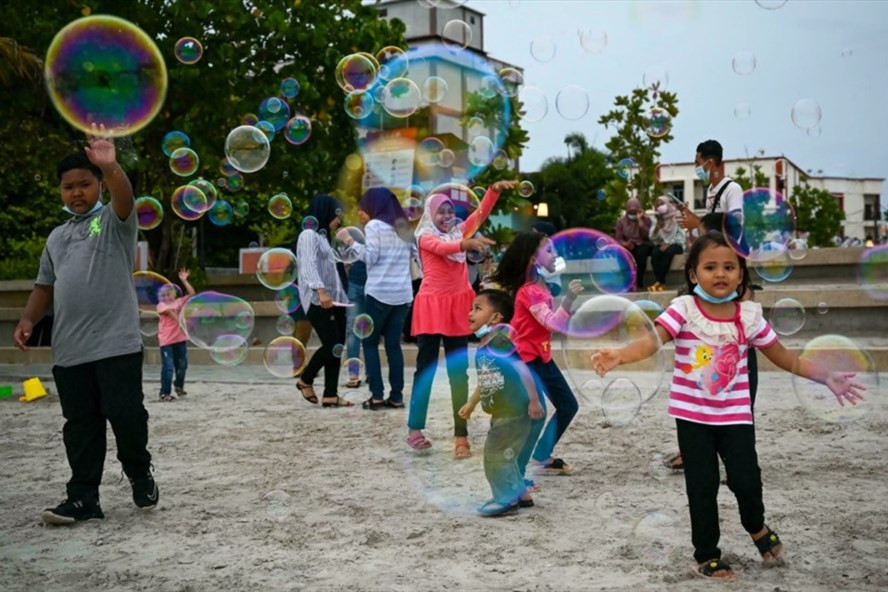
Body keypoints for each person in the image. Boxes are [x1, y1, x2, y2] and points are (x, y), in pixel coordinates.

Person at [591, 231, 864, 580]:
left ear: (740, 274)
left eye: (729, 267)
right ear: (693, 274)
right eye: (710, 267)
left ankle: (757, 527)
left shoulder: (748, 316)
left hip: (735, 417)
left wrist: (826, 376)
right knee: (701, 486)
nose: (720, 274)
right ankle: (707, 555)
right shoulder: (684, 309)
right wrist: (620, 355)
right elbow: (651, 341)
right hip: (692, 418)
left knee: (747, 480)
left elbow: (783, 356)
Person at [13, 132, 158, 524]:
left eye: (85, 184)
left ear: (97, 186)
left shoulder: (113, 222)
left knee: (126, 415)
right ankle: (83, 498)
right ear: (59, 191)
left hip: (117, 344)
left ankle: (139, 471)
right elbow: (45, 286)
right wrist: (28, 319)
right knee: (80, 427)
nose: (76, 192)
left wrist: (110, 165)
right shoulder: (56, 237)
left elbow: (124, 198)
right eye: (68, 186)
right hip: (71, 350)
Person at [406, 180, 516, 456]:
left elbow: (479, 215)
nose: (445, 216)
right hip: (432, 305)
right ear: (431, 214)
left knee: (459, 375)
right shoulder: (425, 236)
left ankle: (461, 437)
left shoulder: (458, 230)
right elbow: (446, 249)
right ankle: (415, 429)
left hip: (458, 306)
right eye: (440, 212)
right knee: (426, 370)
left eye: (449, 211)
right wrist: (467, 243)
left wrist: (494, 191)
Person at [490, 232, 583, 477]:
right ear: (533, 258)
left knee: (568, 405)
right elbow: (552, 323)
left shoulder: (542, 287)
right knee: (535, 416)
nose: (555, 255)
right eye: (549, 250)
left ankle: (541, 455)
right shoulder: (528, 291)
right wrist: (569, 301)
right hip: (525, 361)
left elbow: (551, 325)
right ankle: (517, 474)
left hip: (541, 358)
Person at [457, 290, 545, 516]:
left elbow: (521, 368)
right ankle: (521, 496)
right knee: (508, 455)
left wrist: (534, 400)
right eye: (471, 308)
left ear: (496, 319)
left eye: (478, 308)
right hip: (503, 412)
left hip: (513, 411)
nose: (470, 313)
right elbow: (486, 380)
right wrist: (471, 403)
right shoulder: (485, 346)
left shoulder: (500, 343)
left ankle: (505, 499)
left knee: (495, 454)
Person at [344, 187, 413, 410]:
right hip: (402, 295)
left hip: (379, 294)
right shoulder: (404, 227)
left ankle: (376, 396)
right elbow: (415, 253)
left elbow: (370, 258)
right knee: (393, 345)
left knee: (370, 343)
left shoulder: (374, 226)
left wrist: (350, 242)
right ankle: (397, 396)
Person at [295, 194, 352, 407]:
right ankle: (305, 379)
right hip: (319, 299)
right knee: (332, 344)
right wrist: (321, 291)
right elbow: (308, 265)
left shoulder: (323, 237)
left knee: (337, 346)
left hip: (336, 299)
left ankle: (330, 394)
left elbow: (332, 269)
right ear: (325, 211)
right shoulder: (308, 235)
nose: (340, 220)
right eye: (338, 215)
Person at [679, 139, 743, 233]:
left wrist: (698, 223)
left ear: (710, 163)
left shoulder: (733, 189)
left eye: (698, 163)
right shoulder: (710, 189)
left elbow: (735, 225)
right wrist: (690, 215)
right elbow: (710, 224)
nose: (696, 167)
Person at [156, 268, 196, 402]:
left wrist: (184, 281)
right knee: (168, 367)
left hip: (179, 339)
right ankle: (164, 393)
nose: (167, 296)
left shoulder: (178, 302)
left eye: (170, 294)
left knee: (182, 365)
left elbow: (192, 294)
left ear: (174, 294)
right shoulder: (161, 305)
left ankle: (178, 386)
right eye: (165, 295)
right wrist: (180, 318)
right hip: (166, 341)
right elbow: (170, 314)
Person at [649, 195, 686, 291]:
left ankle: (660, 282)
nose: (660, 207)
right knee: (655, 254)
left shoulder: (676, 215)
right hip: (662, 245)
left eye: (662, 204)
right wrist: (656, 230)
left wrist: (669, 243)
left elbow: (682, 237)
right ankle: (660, 282)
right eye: (657, 205)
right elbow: (653, 238)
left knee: (667, 253)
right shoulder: (657, 219)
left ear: (667, 204)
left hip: (676, 245)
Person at [615, 197, 653, 291]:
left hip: (643, 243)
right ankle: (627, 283)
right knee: (623, 254)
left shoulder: (647, 220)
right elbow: (618, 239)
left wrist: (640, 221)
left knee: (641, 255)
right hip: (628, 244)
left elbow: (647, 236)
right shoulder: (621, 221)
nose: (632, 214)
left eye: (635, 211)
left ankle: (638, 283)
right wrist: (625, 244)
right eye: (630, 212)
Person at [343, 259, 367, 388]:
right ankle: (353, 372)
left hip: (376, 285)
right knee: (353, 329)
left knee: (371, 330)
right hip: (354, 283)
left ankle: (371, 372)